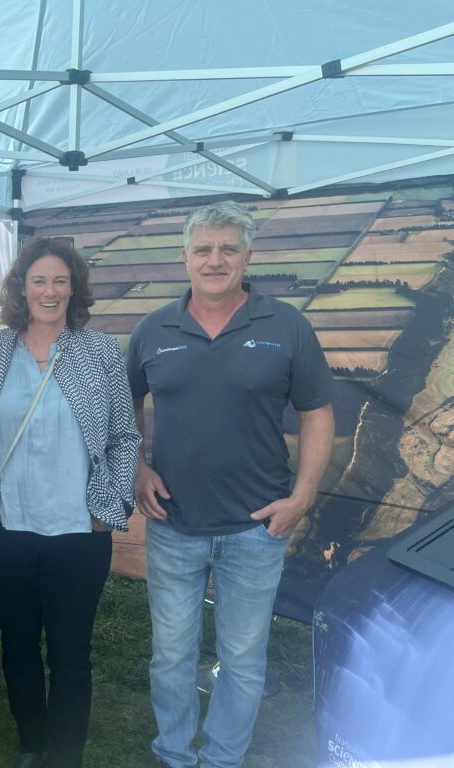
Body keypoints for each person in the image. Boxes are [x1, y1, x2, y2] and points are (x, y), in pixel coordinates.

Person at [126, 201, 334, 768]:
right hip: (175, 524)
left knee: (242, 657)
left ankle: (221, 759)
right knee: (171, 655)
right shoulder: (153, 329)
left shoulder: (286, 325)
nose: (214, 260)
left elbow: (318, 414)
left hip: (257, 526)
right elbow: (126, 406)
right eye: (203, 249)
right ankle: (173, 754)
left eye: (227, 249)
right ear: (185, 257)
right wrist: (140, 469)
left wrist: (303, 496)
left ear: (248, 255)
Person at [0, 238, 140, 768]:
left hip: (77, 533)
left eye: (60, 280)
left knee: (69, 655)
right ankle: (30, 745)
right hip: (8, 531)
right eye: (38, 280)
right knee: (18, 644)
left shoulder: (101, 352)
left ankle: (64, 755)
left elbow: (124, 438)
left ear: (74, 288)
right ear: (21, 287)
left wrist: (107, 509)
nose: (50, 291)